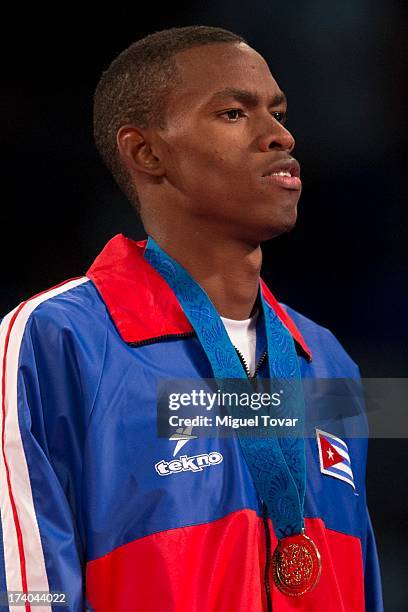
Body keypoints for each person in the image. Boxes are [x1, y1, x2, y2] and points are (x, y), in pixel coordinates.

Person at [0, 26, 383, 611]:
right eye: (234, 113)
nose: (280, 135)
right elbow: (31, 589)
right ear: (146, 152)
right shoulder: (60, 336)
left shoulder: (327, 359)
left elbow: (359, 580)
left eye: (278, 112)